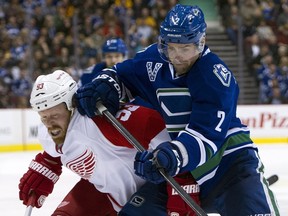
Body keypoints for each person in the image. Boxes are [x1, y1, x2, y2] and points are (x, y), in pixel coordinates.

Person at [75, 4, 280, 215]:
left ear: (201, 42)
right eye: (171, 47)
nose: (177, 56)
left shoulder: (215, 77)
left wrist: (172, 156)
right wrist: (106, 84)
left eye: (185, 48)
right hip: (182, 170)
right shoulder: (154, 59)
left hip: (230, 167)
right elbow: (122, 74)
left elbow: (206, 136)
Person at [18, 69, 200, 215]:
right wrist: (46, 168)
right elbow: (54, 154)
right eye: (44, 117)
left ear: (71, 105)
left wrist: (182, 181)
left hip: (148, 189)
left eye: (55, 115)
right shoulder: (47, 132)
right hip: (103, 192)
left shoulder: (101, 120)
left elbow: (157, 129)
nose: (49, 123)